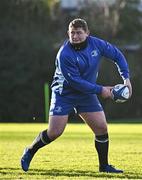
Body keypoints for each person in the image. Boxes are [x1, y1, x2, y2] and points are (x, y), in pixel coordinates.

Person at [21, 18, 132, 173]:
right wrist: (102, 90)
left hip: (86, 94)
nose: (75, 36)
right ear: (68, 33)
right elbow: (75, 82)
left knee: (101, 127)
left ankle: (104, 166)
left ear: (87, 33)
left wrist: (126, 79)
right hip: (64, 93)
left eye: (79, 33)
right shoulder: (64, 54)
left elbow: (117, 55)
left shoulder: (97, 44)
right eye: (72, 33)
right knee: (55, 132)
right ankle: (30, 151)